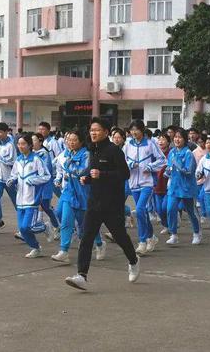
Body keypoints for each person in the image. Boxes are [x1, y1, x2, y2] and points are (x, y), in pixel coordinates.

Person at [65, 118, 139, 291]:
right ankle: (81, 275)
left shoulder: (114, 151)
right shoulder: (93, 150)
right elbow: (92, 170)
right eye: (91, 130)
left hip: (112, 204)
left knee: (120, 236)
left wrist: (102, 174)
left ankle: (134, 261)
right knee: (86, 237)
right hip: (94, 202)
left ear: (106, 132)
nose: (93, 133)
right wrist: (87, 177)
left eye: (97, 130)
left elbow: (124, 174)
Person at [51, 130, 106, 263]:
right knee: (64, 219)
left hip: (83, 192)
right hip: (69, 191)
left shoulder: (86, 155)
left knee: (86, 225)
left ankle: (99, 243)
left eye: (74, 140)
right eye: (69, 140)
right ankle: (64, 251)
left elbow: (82, 171)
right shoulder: (67, 153)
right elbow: (59, 168)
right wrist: (60, 177)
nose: (71, 142)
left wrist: (69, 169)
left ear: (81, 141)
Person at [123, 119, 165, 256]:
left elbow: (162, 159)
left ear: (142, 130)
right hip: (133, 182)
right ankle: (151, 236)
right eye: (132, 130)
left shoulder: (151, 144)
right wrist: (130, 164)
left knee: (140, 209)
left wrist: (150, 167)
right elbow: (122, 160)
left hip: (147, 182)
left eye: (137, 130)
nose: (134, 132)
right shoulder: (128, 145)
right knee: (143, 212)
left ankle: (142, 241)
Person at [7, 133, 51, 258]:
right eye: (19, 144)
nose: (20, 146)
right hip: (20, 199)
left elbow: (46, 176)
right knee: (23, 229)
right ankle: (36, 248)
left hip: (32, 198)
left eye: (23, 144)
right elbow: (14, 174)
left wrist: (33, 180)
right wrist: (11, 180)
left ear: (30, 145)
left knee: (26, 227)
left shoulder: (37, 159)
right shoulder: (19, 160)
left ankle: (43, 227)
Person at [165, 128, 201, 245]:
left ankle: (196, 233)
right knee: (170, 209)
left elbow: (189, 171)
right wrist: (168, 171)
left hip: (187, 187)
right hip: (174, 186)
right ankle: (173, 234)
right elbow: (169, 166)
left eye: (180, 137)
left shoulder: (188, 153)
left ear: (185, 139)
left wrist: (178, 165)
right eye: (175, 137)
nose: (177, 139)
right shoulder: (172, 152)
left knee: (190, 211)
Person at [31, 132, 59, 241]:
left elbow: (44, 172)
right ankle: (28, 230)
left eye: (33, 140)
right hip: (34, 186)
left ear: (40, 142)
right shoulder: (32, 154)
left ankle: (56, 226)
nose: (32, 143)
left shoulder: (44, 154)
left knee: (46, 207)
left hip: (44, 185)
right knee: (35, 207)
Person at [0, 122, 17, 231]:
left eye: (0, 132)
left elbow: (11, 162)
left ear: (6, 132)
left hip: (9, 178)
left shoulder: (10, 146)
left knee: (16, 200)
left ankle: (24, 220)